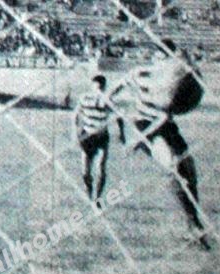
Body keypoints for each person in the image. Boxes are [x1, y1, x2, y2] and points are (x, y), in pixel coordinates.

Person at [120, 39, 210, 250]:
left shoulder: (173, 78)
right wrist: (132, 136)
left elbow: (165, 115)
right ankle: (193, 225)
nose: (165, 60)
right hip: (144, 126)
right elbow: (116, 88)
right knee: (172, 166)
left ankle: (193, 223)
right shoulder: (140, 73)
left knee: (189, 171)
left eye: (169, 57)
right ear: (156, 56)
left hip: (165, 125)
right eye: (162, 55)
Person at [74, 74, 125, 203]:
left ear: (104, 87)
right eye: (96, 87)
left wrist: (121, 133)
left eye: (100, 88)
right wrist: (75, 133)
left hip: (101, 137)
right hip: (87, 136)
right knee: (85, 171)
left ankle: (98, 197)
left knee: (101, 167)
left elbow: (119, 116)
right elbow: (76, 115)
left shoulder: (107, 100)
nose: (98, 90)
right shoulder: (84, 98)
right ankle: (89, 189)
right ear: (92, 86)